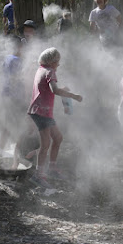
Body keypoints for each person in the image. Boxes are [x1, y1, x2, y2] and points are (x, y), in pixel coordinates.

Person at [27, 47, 83, 188]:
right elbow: (55, 90)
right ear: (52, 61)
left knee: (57, 138)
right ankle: (38, 176)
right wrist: (74, 96)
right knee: (45, 144)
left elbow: (48, 88)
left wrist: (62, 89)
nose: (59, 65)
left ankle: (51, 168)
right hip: (41, 111)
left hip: (41, 111)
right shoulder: (50, 71)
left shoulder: (41, 69)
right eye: (58, 62)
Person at [0, 36, 27, 160]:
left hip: (6, 95)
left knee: (8, 125)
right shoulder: (17, 60)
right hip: (14, 97)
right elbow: (15, 78)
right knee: (17, 126)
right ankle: (15, 156)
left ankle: (0, 153)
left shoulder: (7, 58)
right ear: (19, 46)